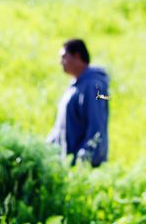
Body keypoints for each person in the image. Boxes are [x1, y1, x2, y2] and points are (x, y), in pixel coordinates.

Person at [47, 39, 109, 167]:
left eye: (64, 57)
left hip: (82, 166)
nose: (60, 62)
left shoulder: (93, 86)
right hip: (67, 162)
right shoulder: (75, 86)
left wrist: (85, 159)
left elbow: (96, 127)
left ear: (77, 56)